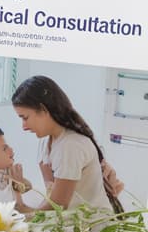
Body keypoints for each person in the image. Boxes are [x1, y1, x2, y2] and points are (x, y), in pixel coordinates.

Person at [11, 76, 124, 214]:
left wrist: (21, 207)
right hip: (69, 222)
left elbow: (57, 206)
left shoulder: (70, 146)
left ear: (43, 109)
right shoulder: (45, 143)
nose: (24, 127)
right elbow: (51, 195)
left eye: (25, 117)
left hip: (89, 226)